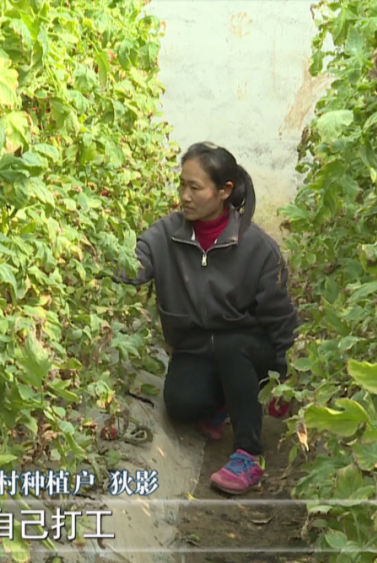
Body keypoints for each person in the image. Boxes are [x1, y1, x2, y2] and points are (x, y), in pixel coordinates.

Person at [115, 142, 300, 494]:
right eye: (182, 185)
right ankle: (223, 401)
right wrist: (91, 253)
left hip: (249, 349)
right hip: (197, 348)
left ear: (224, 191)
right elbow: (132, 264)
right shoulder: (166, 234)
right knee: (182, 406)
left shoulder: (257, 248)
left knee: (232, 345)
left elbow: (281, 319)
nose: (184, 196)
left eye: (194, 188)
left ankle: (249, 454)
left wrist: (286, 378)